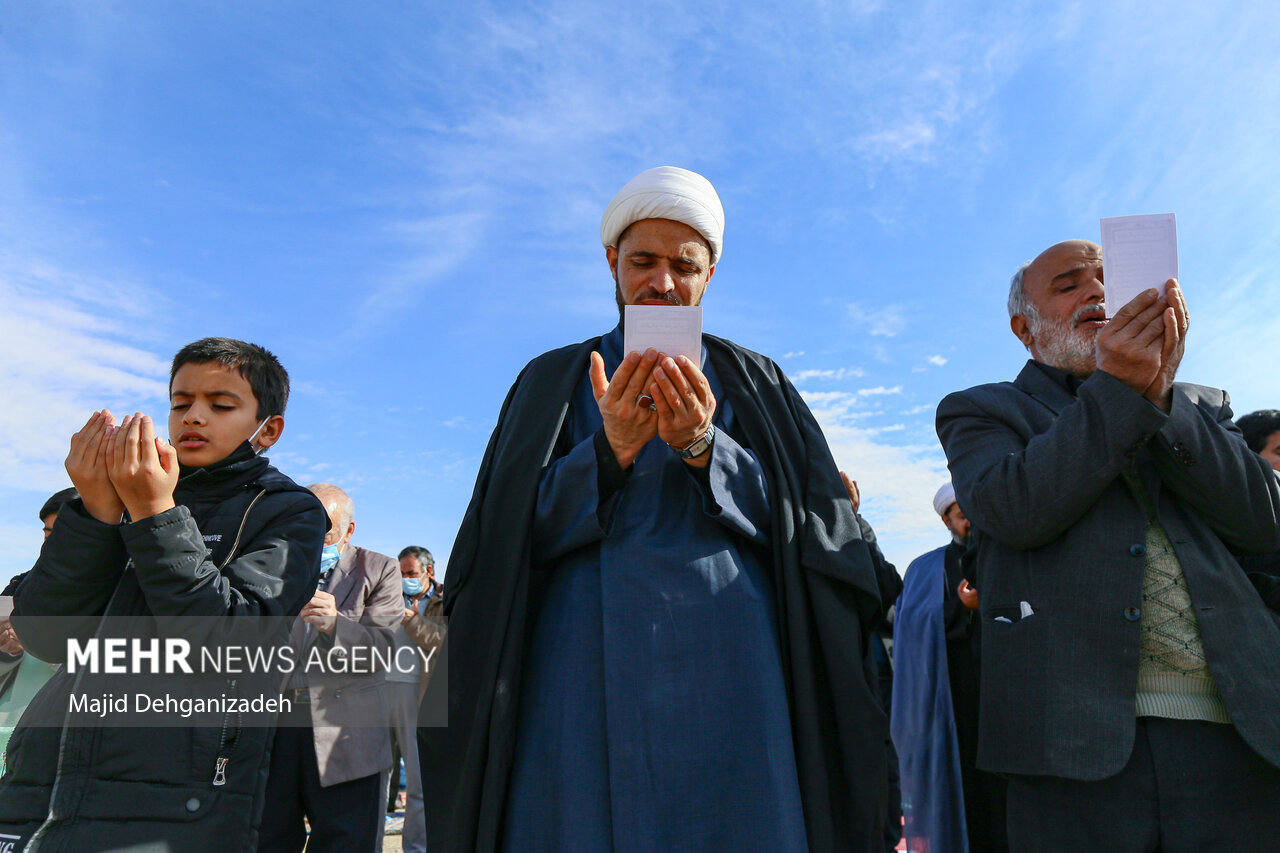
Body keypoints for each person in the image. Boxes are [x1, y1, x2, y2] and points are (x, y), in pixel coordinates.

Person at [420, 166, 886, 853]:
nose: (662, 282)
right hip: (574, 664)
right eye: (643, 260)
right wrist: (607, 452)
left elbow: (810, 527)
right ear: (612, 262)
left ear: (709, 276)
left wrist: (705, 447)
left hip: (736, 660)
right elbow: (504, 540)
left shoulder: (758, 382)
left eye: (683, 266)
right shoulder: (550, 379)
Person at [936, 240, 1280, 850]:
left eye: (1107, 281)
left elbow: (1264, 522)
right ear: (1024, 328)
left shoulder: (1201, 405)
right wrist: (1120, 391)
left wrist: (1160, 397)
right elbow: (1013, 511)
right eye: (1069, 285)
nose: (1097, 293)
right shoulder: (982, 410)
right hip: (1070, 753)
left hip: (1241, 737)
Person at [0, 337, 327, 851]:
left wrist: (156, 513)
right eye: (181, 402)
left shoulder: (287, 511)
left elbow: (225, 640)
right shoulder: (120, 496)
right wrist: (94, 511)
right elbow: (46, 635)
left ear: (269, 429)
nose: (194, 416)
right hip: (42, 782)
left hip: (176, 798)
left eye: (221, 405)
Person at [259, 483, 402, 853]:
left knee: (346, 839)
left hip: (347, 733)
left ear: (349, 531)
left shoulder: (380, 570)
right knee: (266, 836)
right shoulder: (273, 565)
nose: (309, 538)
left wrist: (337, 624)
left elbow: (384, 649)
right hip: (277, 725)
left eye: (323, 531)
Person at [891, 482, 1006, 853]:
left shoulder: (1008, 554)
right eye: (961, 514)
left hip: (1004, 696)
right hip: (953, 699)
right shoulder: (926, 568)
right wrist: (961, 606)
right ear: (946, 520)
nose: (970, 520)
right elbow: (912, 627)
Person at [0, 489, 80, 769]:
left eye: (66, 534)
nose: (53, 544)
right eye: (48, 534)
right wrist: (6, 654)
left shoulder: (124, 591)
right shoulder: (19, 586)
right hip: (12, 737)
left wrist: (48, 646)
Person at [382, 545, 442, 853]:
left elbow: (443, 641)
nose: (405, 579)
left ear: (428, 572)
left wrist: (410, 620)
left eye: (411, 574)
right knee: (376, 776)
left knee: (418, 782)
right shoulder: (386, 594)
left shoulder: (445, 599)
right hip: (380, 693)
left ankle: (416, 848)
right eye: (401, 573)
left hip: (418, 697)